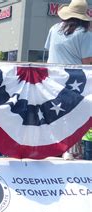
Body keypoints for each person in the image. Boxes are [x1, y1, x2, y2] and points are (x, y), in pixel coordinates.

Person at [44, 0, 92, 159]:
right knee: (74, 116)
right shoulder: (84, 34)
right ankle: (70, 151)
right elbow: (88, 64)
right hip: (74, 82)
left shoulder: (53, 29)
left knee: (54, 115)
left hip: (51, 80)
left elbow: (49, 51)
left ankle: (53, 148)